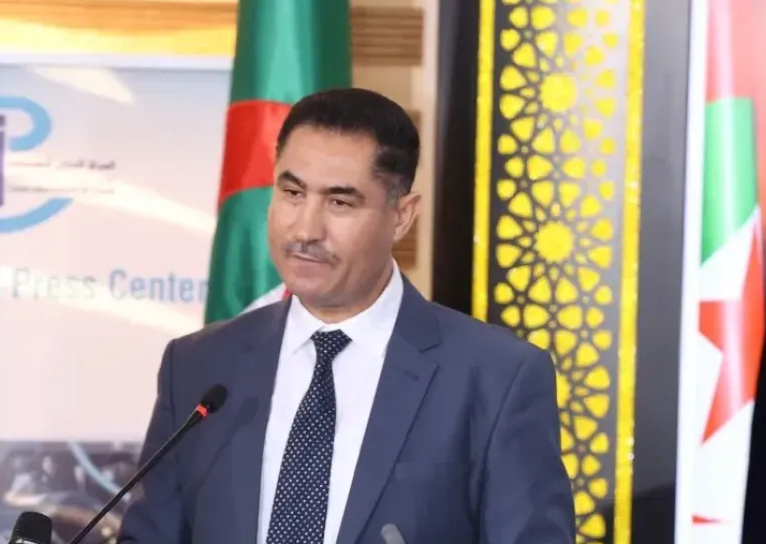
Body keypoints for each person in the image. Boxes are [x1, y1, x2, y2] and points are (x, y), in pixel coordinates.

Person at [118, 88, 574, 543]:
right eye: (292, 192)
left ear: (402, 216)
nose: (305, 229)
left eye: (340, 203)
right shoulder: (199, 366)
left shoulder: (496, 378)